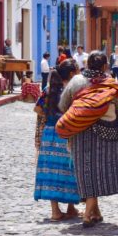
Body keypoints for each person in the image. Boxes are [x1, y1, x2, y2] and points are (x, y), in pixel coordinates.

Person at [57, 51, 118, 228]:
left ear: (87, 65)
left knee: (85, 171)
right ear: (105, 66)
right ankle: (88, 214)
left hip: (80, 131)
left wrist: (82, 114)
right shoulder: (111, 83)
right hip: (106, 132)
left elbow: (63, 105)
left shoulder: (76, 81)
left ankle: (94, 211)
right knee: (99, 171)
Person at [34, 60, 80, 221]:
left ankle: (56, 211)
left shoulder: (48, 90)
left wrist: (50, 115)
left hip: (49, 134)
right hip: (66, 134)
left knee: (51, 171)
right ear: (71, 74)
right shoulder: (72, 91)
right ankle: (70, 207)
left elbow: (37, 109)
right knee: (69, 170)